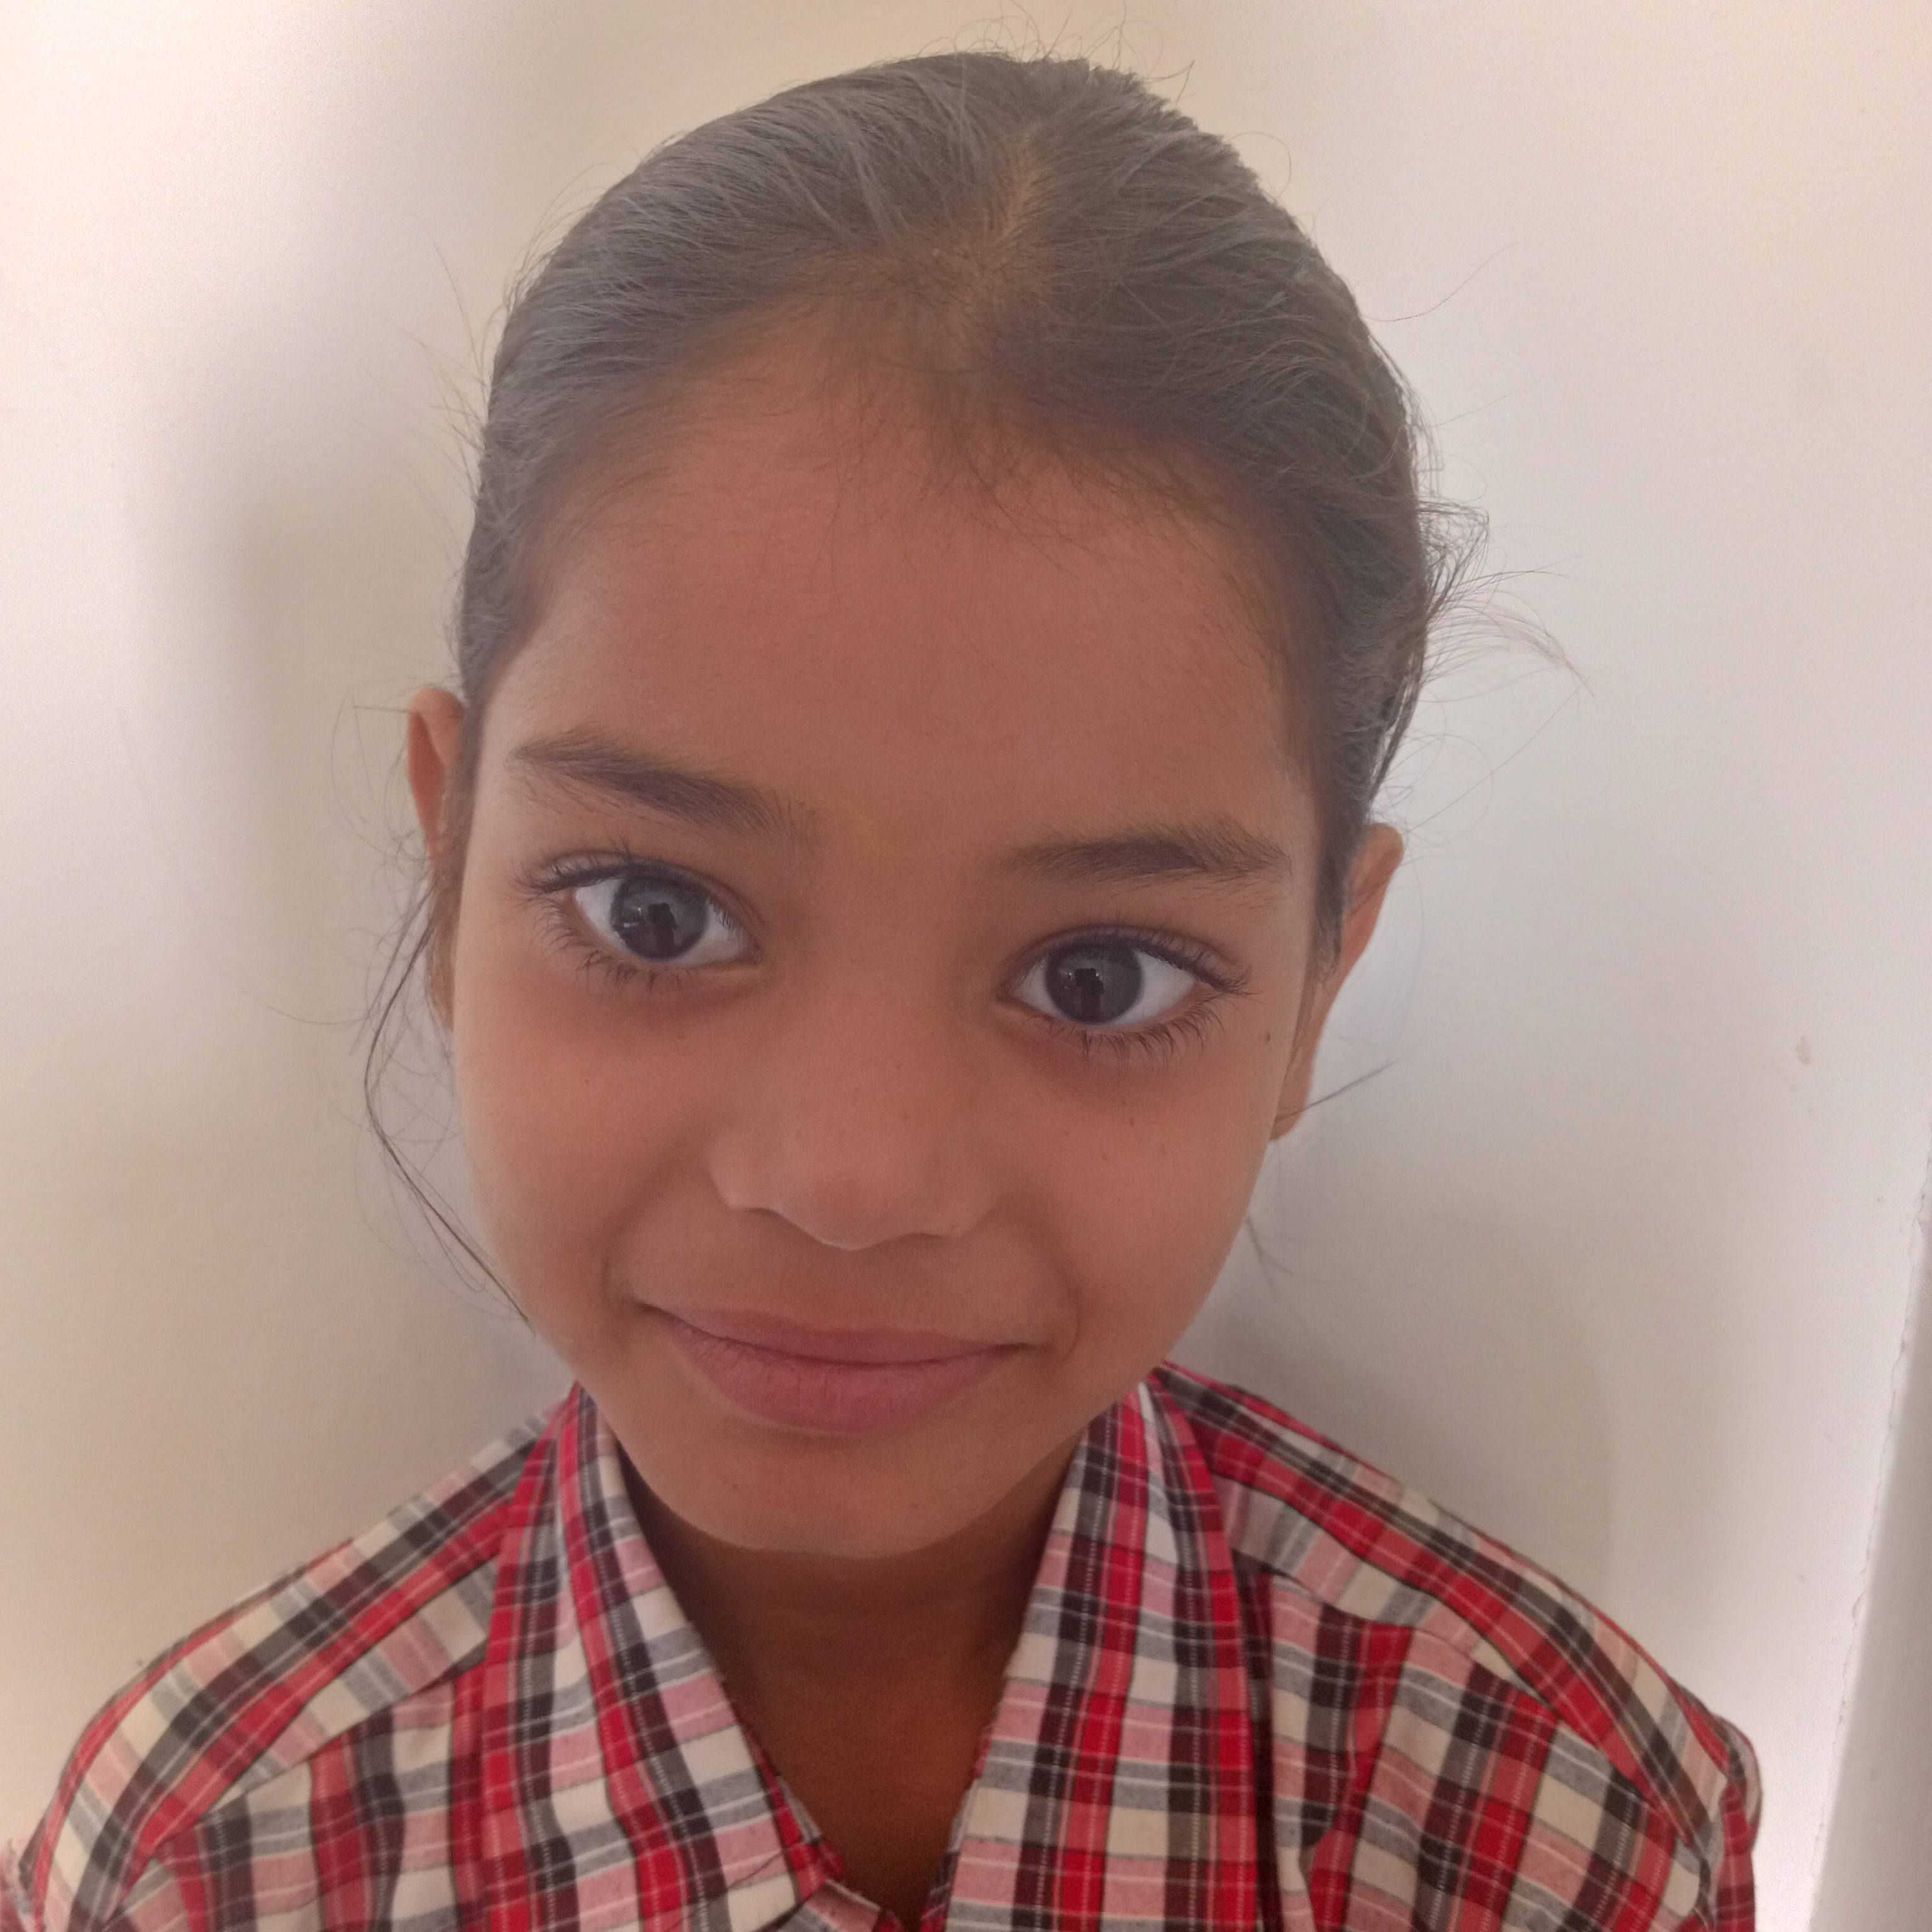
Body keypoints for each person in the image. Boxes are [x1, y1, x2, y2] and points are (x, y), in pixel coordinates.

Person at [3, 48, 1761, 1932]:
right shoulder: (205, 1866)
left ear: (1317, 987)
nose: (850, 1178)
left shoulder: (1552, 1825)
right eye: (656, 914)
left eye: (1098, 976)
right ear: (450, 870)